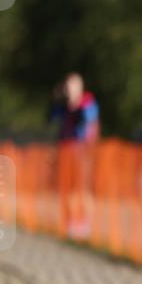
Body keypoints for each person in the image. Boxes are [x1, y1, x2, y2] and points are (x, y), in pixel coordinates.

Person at [50, 73, 100, 238]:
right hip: (65, 151)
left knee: (82, 189)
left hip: (82, 152)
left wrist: (75, 104)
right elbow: (52, 118)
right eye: (66, 87)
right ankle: (69, 223)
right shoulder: (63, 106)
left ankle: (84, 224)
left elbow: (88, 120)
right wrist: (56, 98)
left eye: (70, 87)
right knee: (67, 188)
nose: (68, 90)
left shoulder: (88, 103)